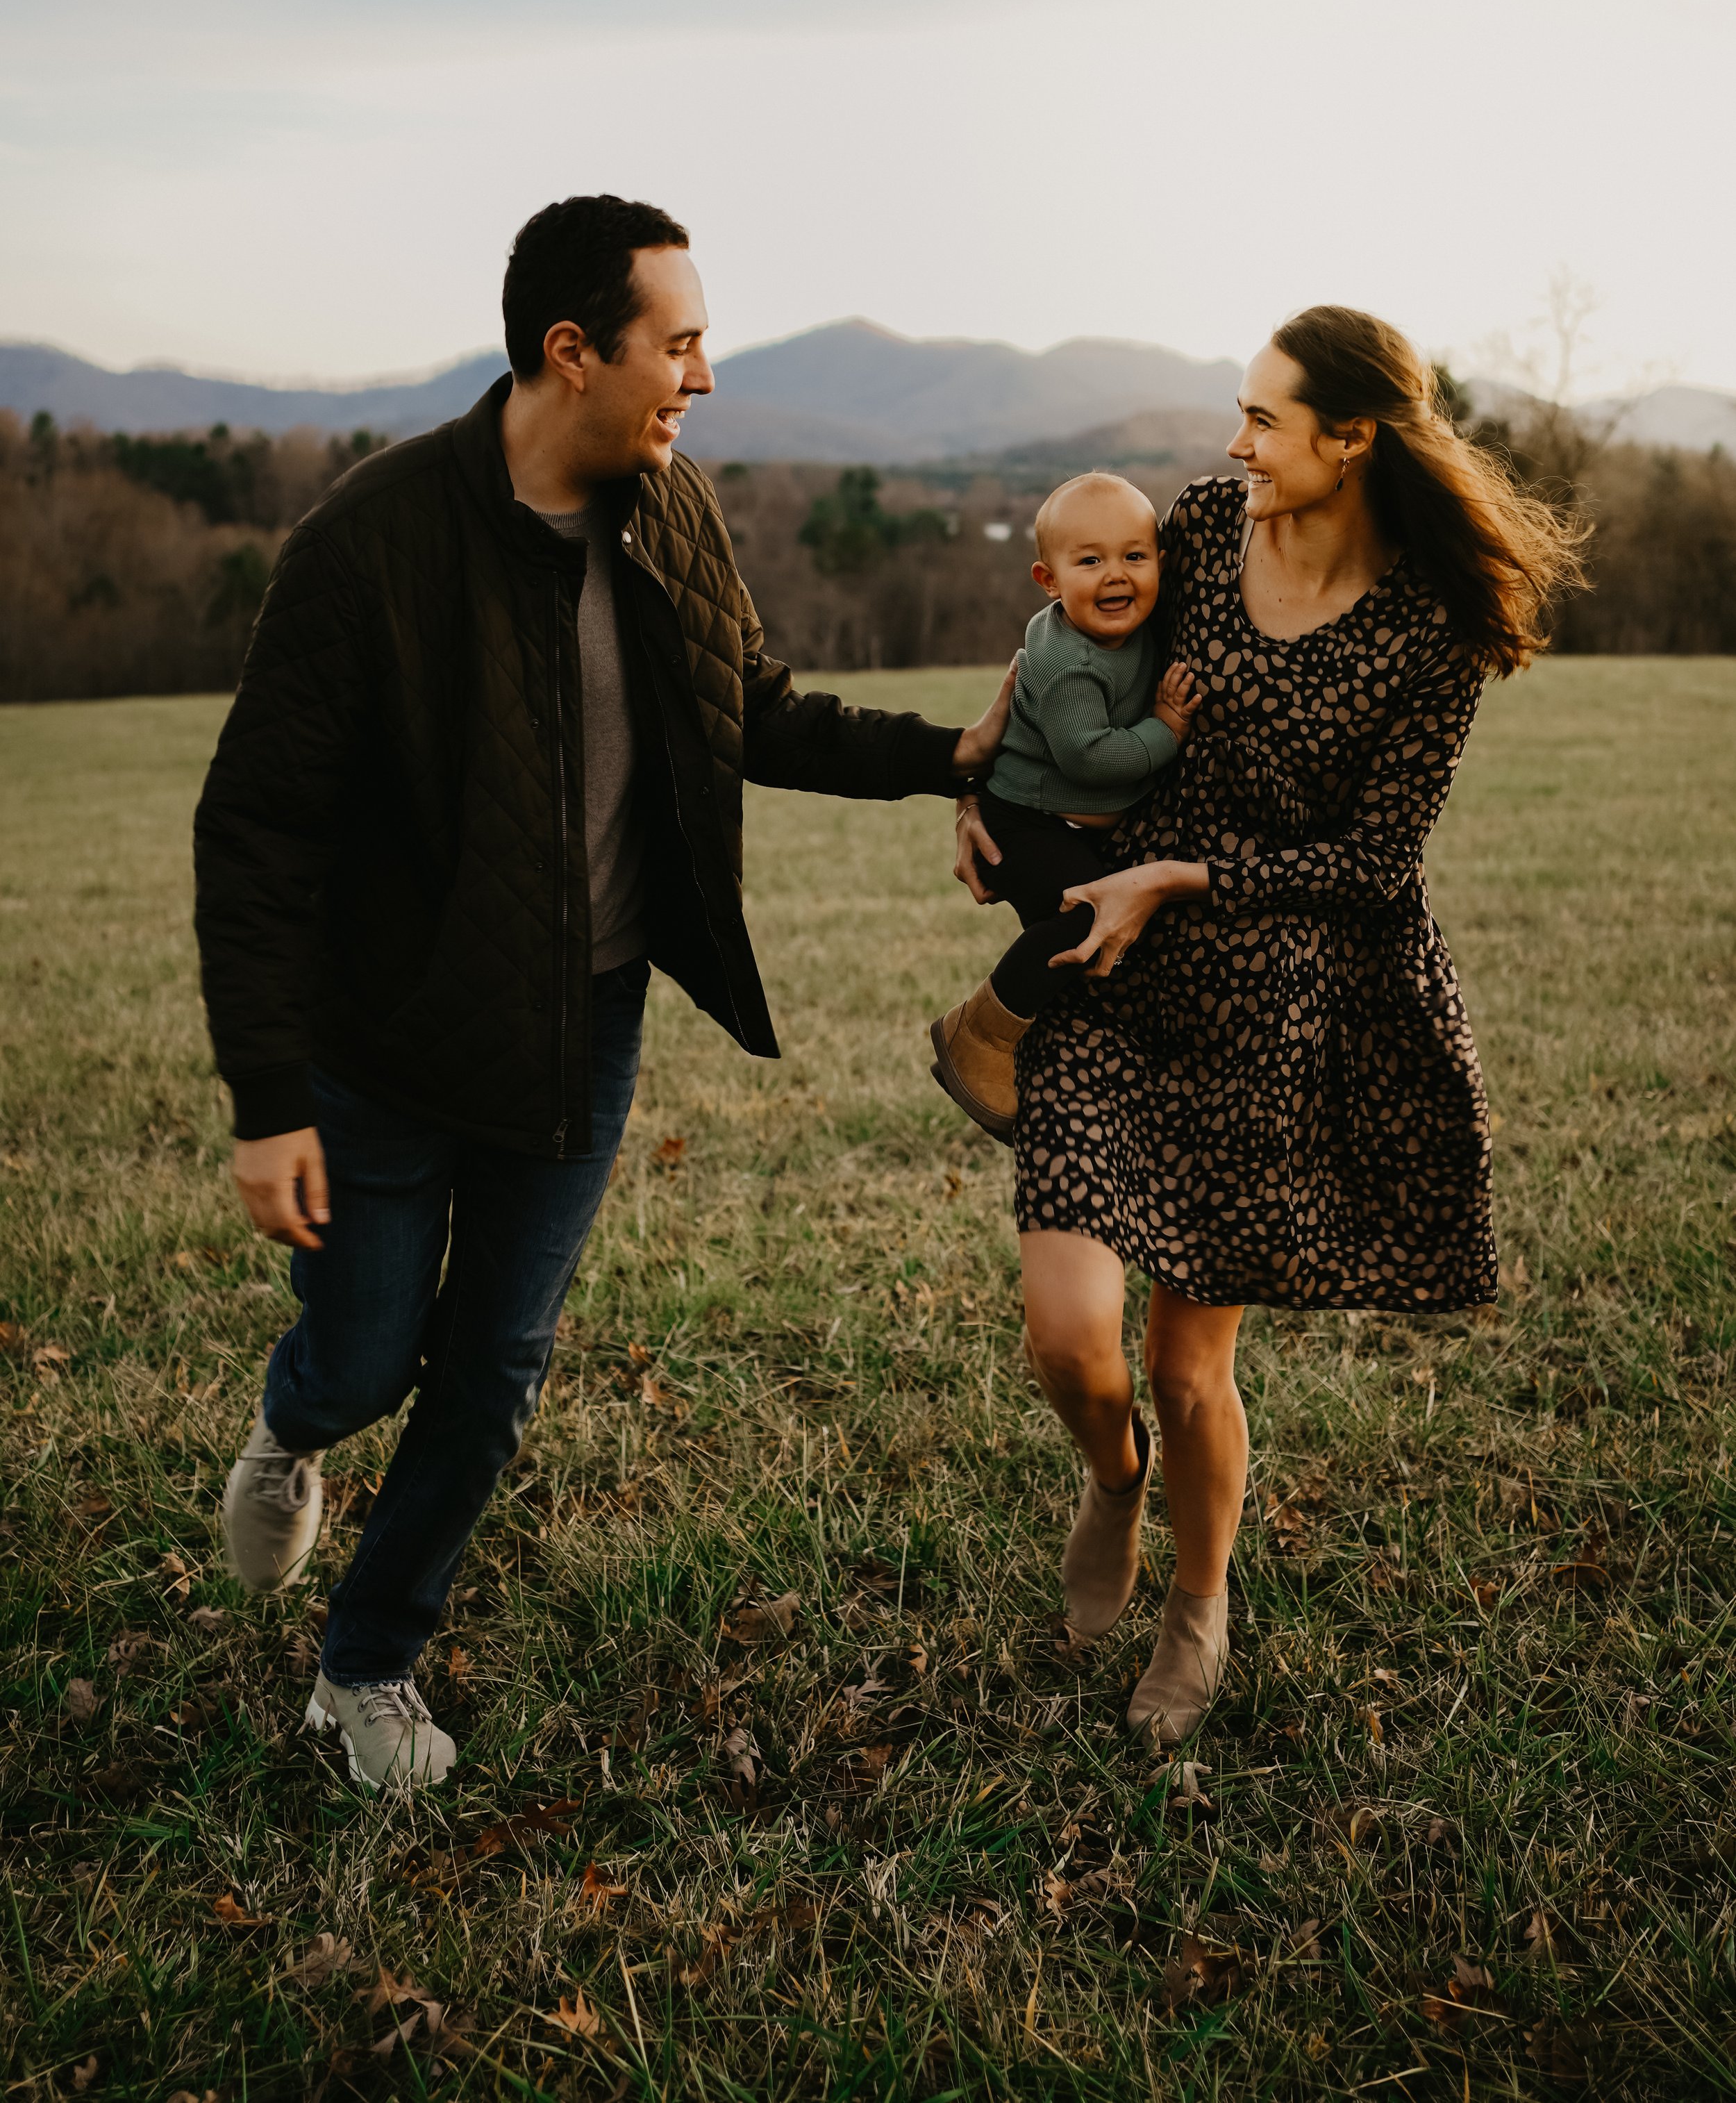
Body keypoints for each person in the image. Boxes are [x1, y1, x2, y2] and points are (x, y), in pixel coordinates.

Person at [194, 193, 1012, 1792]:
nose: (703, 374)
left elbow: (747, 705)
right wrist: (266, 1097)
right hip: (386, 1045)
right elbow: (257, 830)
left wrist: (947, 757)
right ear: (572, 351)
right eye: (678, 342)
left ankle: (364, 1663)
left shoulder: (669, 508)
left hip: (585, 1026)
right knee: (364, 1363)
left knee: (494, 1366)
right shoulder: (372, 542)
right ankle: (295, 1426)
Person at [955, 306, 1584, 1745]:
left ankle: (1197, 1605)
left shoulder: (1427, 625)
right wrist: (985, 773)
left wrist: (1183, 872)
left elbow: (1378, 864)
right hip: (1117, 971)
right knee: (1068, 1337)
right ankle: (1111, 1476)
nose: (1234, 442)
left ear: (1349, 439)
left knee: (1187, 1369)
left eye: (1263, 418)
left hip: (1275, 1008)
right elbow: (1063, 639)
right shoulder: (1196, 525)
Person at [928, 472, 1199, 1142]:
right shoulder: (1068, 662)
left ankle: (1074, 1071)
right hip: (1020, 821)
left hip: (1059, 821)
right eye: (1090, 561)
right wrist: (1166, 730)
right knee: (1084, 916)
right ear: (1048, 580)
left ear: (1161, 563)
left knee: (1091, 952)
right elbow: (1090, 759)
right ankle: (980, 1035)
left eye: (1134, 556)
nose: (1116, 575)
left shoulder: (1135, 624)